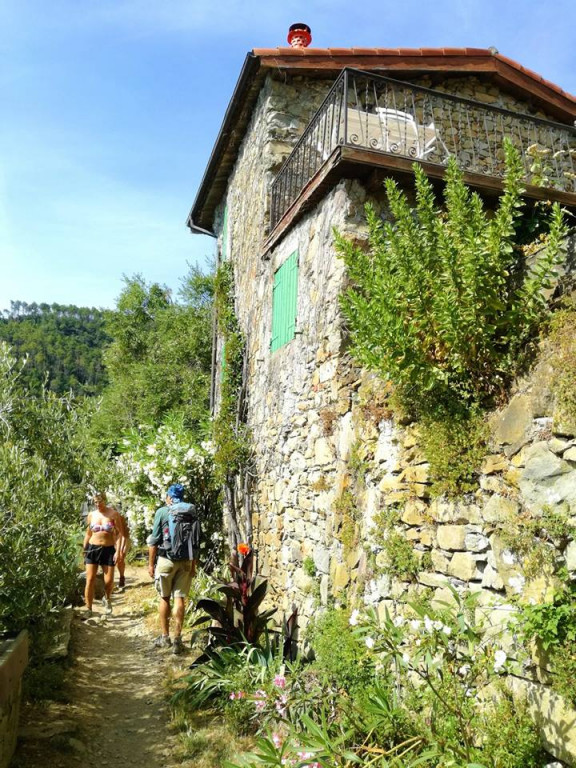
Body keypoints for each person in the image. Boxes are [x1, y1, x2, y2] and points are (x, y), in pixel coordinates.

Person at [147, 484, 199, 655]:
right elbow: (195, 542)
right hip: (186, 562)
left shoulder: (162, 512)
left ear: (169, 497)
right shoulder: (190, 512)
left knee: (164, 597)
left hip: (166, 561)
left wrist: (151, 564)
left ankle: (165, 637)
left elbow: (154, 541)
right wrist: (193, 565)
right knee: (179, 599)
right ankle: (177, 639)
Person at [82, 491, 122, 617]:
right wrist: (84, 548)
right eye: (95, 502)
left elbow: (119, 534)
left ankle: (107, 598)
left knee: (109, 581)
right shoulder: (91, 515)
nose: (98, 504)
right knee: (90, 579)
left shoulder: (113, 514)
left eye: (100, 502)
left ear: (105, 500)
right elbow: (88, 533)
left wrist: (118, 551)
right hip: (93, 548)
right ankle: (88, 608)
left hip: (108, 549)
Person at [115, 507, 130, 590]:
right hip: (113, 540)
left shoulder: (120, 518)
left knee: (120, 558)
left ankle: (121, 577)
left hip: (124, 538)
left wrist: (121, 548)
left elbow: (123, 534)